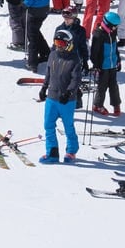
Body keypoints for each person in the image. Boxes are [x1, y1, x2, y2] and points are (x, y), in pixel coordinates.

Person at [36, 32, 84, 164]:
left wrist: (68, 93)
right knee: (48, 125)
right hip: (52, 97)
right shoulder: (52, 55)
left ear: (68, 44)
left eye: (61, 44)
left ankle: (71, 151)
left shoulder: (74, 60)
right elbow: (48, 73)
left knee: (68, 126)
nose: (58, 46)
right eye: (56, 43)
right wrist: (44, 87)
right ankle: (52, 153)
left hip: (66, 100)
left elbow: (76, 80)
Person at [89, 10, 123, 117]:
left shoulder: (112, 32)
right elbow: (94, 53)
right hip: (103, 66)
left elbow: (115, 47)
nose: (116, 28)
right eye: (114, 26)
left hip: (112, 64)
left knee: (114, 85)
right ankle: (97, 105)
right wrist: (97, 66)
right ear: (108, 24)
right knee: (102, 86)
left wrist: (118, 60)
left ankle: (116, 104)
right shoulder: (98, 35)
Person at [22, 0, 53, 69]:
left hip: (33, 12)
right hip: (43, 11)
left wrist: (24, 5)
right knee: (35, 31)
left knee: (32, 36)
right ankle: (45, 52)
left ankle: (32, 62)